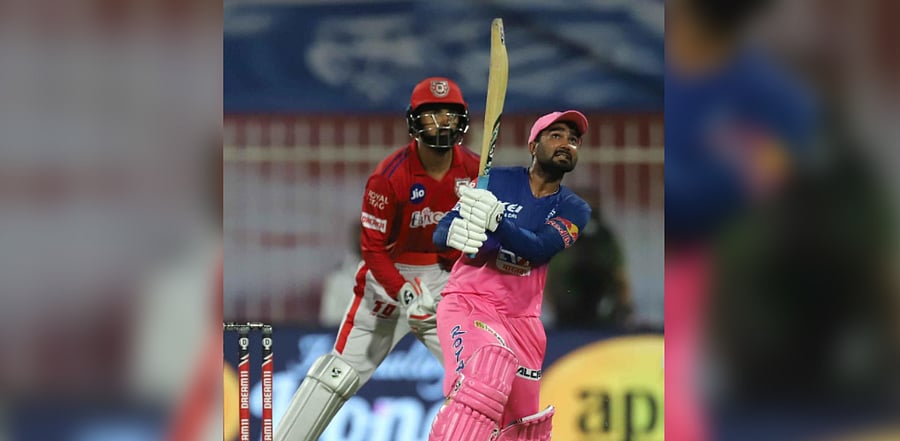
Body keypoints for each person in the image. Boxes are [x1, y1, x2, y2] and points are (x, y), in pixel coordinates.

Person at [274, 77, 480, 441]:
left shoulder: (477, 173)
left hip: (446, 284)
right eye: (431, 115)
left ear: (461, 120)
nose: (442, 123)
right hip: (388, 282)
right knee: (338, 376)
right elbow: (373, 250)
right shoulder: (390, 176)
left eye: (449, 114)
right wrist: (404, 293)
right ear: (415, 122)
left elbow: (478, 243)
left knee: (477, 383)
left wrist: (484, 231)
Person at [427, 110, 592, 440]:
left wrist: (497, 220)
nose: (567, 144)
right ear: (534, 146)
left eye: (573, 140)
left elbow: (539, 248)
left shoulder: (575, 209)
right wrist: (454, 231)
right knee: (483, 376)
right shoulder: (496, 181)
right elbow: (441, 230)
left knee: (522, 430)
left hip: (523, 322)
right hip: (470, 304)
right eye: (556, 135)